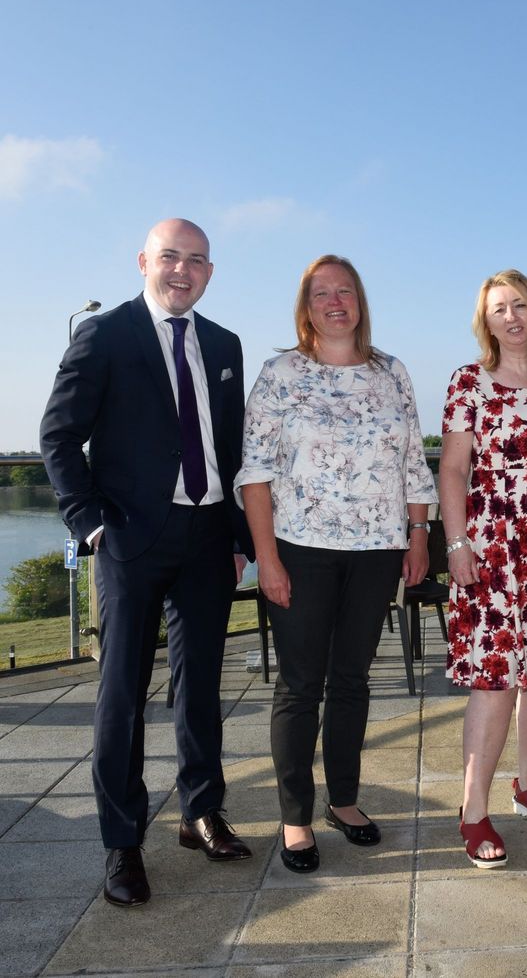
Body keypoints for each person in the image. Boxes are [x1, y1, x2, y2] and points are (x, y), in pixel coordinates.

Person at [40, 219, 255, 907]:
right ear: (143, 262)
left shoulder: (224, 344)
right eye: (170, 257)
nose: (182, 270)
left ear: (210, 272)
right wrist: (90, 524)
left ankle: (201, 812)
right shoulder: (103, 335)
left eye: (196, 260)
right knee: (122, 692)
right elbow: (58, 436)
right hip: (128, 539)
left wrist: (239, 538)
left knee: (201, 686)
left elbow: (229, 446)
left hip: (208, 537)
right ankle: (123, 840)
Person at [236, 255, 436, 874]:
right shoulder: (280, 374)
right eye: (321, 293)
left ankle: (343, 800)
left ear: (360, 301)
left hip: (377, 551)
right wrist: (267, 559)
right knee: (300, 685)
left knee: (352, 679)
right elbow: (255, 474)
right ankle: (295, 817)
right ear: (306, 307)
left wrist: (419, 536)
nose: (334, 302)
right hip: (300, 551)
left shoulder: (391, 372)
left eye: (344, 291)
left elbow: (412, 461)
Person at [440, 269, 527, 869]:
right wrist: (456, 544)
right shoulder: (468, 381)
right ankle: (473, 809)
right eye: (499, 308)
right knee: (494, 681)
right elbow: (452, 469)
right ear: (486, 321)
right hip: (490, 550)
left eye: (520, 305)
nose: (511, 317)